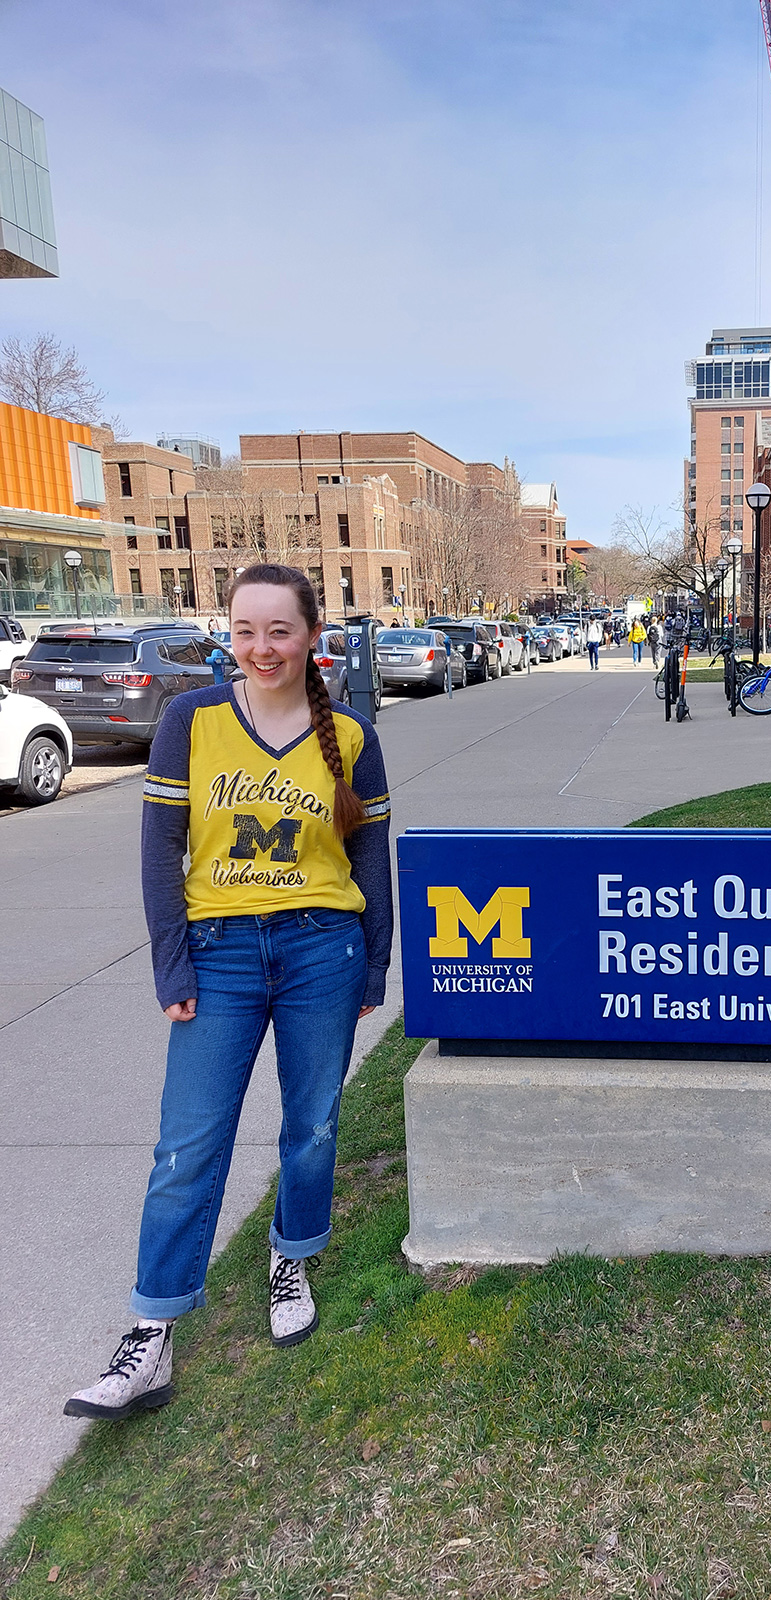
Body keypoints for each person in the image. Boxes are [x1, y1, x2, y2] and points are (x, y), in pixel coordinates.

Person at [64, 563, 392, 1421]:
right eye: (245, 631)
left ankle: (293, 1255)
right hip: (219, 954)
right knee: (189, 1141)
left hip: (324, 946)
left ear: (312, 636)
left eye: (279, 631)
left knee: (312, 1122)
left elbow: (371, 860)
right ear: (228, 634)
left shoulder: (352, 734)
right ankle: (152, 1331)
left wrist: (374, 962)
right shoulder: (189, 720)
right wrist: (171, 962)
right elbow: (159, 847)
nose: (260, 648)